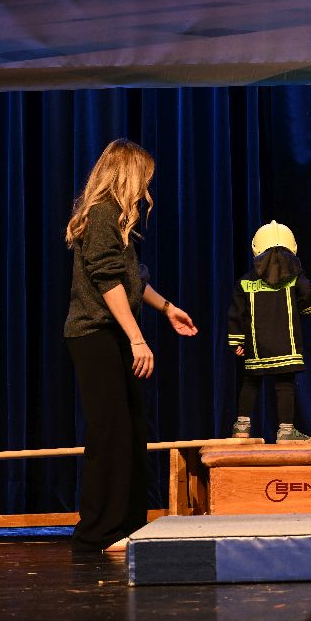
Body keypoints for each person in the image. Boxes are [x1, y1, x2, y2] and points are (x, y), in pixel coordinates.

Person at [63, 139, 197, 553]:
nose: (145, 189)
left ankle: (127, 524)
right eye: (144, 179)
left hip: (113, 334)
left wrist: (168, 308)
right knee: (110, 432)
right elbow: (107, 280)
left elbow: (132, 277)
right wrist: (137, 337)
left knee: (131, 431)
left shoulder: (116, 220)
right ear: (127, 174)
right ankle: (98, 532)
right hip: (94, 334)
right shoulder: (102, 213)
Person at [227, 221, 311, 444]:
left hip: (256, 347)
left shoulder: (245, 281)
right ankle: (285, 431)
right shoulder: (294, 277)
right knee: (285, 383)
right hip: (286, 345)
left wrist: (237, 341)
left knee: (251, 381)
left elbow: (237, 313)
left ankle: (241, 427)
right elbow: (308, 297)